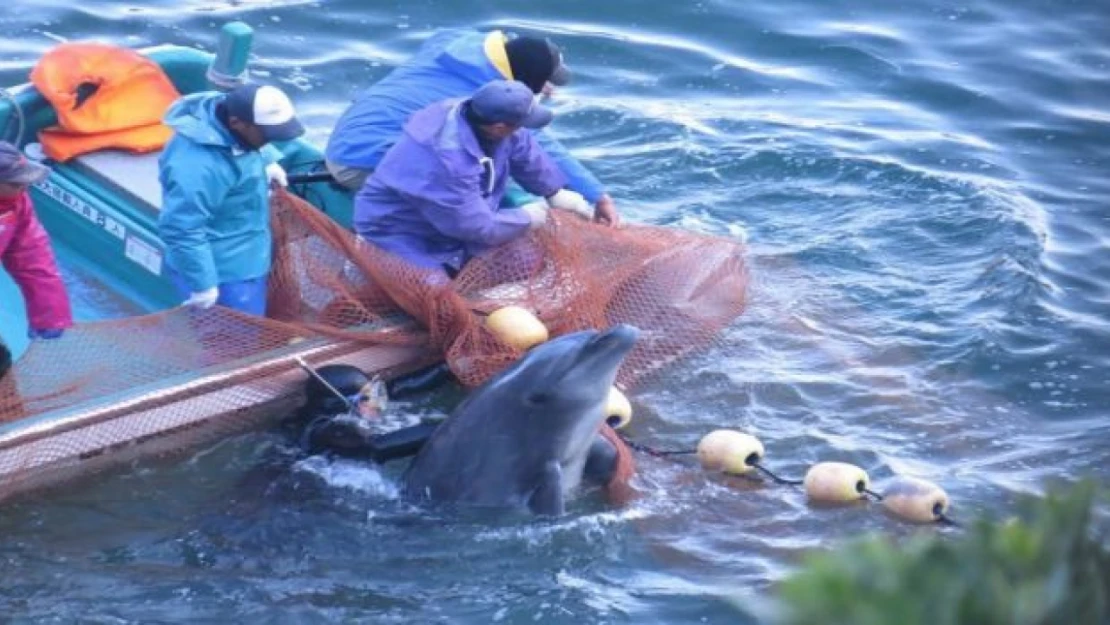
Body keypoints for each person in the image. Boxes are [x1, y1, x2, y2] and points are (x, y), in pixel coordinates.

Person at [325, 28, 619, 226]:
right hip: (363, 163)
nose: (548, 88)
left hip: (344, 142)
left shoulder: (459, 47)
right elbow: (538, 144)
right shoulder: (483, 95)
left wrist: (529, 84)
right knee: (490, 168)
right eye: (543, 81)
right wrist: (596, 195)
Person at [353, 79, 594, 279]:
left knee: (527, 262)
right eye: (520, 123)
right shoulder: (446, 161)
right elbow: (475, 227)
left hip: (455, 221)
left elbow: (523, 149)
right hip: (397, 230)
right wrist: (529, 217)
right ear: (499, 127)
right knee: (436, 297)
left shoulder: (479, 115)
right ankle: (369, 267)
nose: (522, 129)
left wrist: (555, 191)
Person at [157, 83, 305, 316]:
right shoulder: (198, 167)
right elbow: (181, 229)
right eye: (267, 136)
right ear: (237, 123)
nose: (270, 141)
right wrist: (203, 284)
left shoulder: (226, 114)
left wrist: (267, 159)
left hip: (249, 252)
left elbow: (243, 143)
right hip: (223, 271)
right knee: (231, 344)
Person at [0, 141, 73, 347]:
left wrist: (50, 315)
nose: (25, 185)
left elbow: (32, 255)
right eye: (15, 183)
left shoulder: (15, 202)